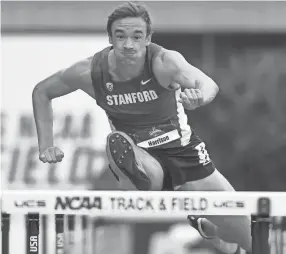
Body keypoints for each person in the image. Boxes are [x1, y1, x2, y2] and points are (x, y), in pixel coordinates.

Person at [32, 2, 251, 253]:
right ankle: (157, 189)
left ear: (147, 38)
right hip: (138, 155)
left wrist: (200, 96)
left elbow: (208, 83)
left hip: (184, 153)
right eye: (120, 36)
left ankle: (209, 229)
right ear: (110, 38)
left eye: (137, 37)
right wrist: (46, 144)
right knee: (122, 148)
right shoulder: (90, 72)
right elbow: (42, 91)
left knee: (252, 238)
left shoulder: (164, 62)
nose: (128, 44)